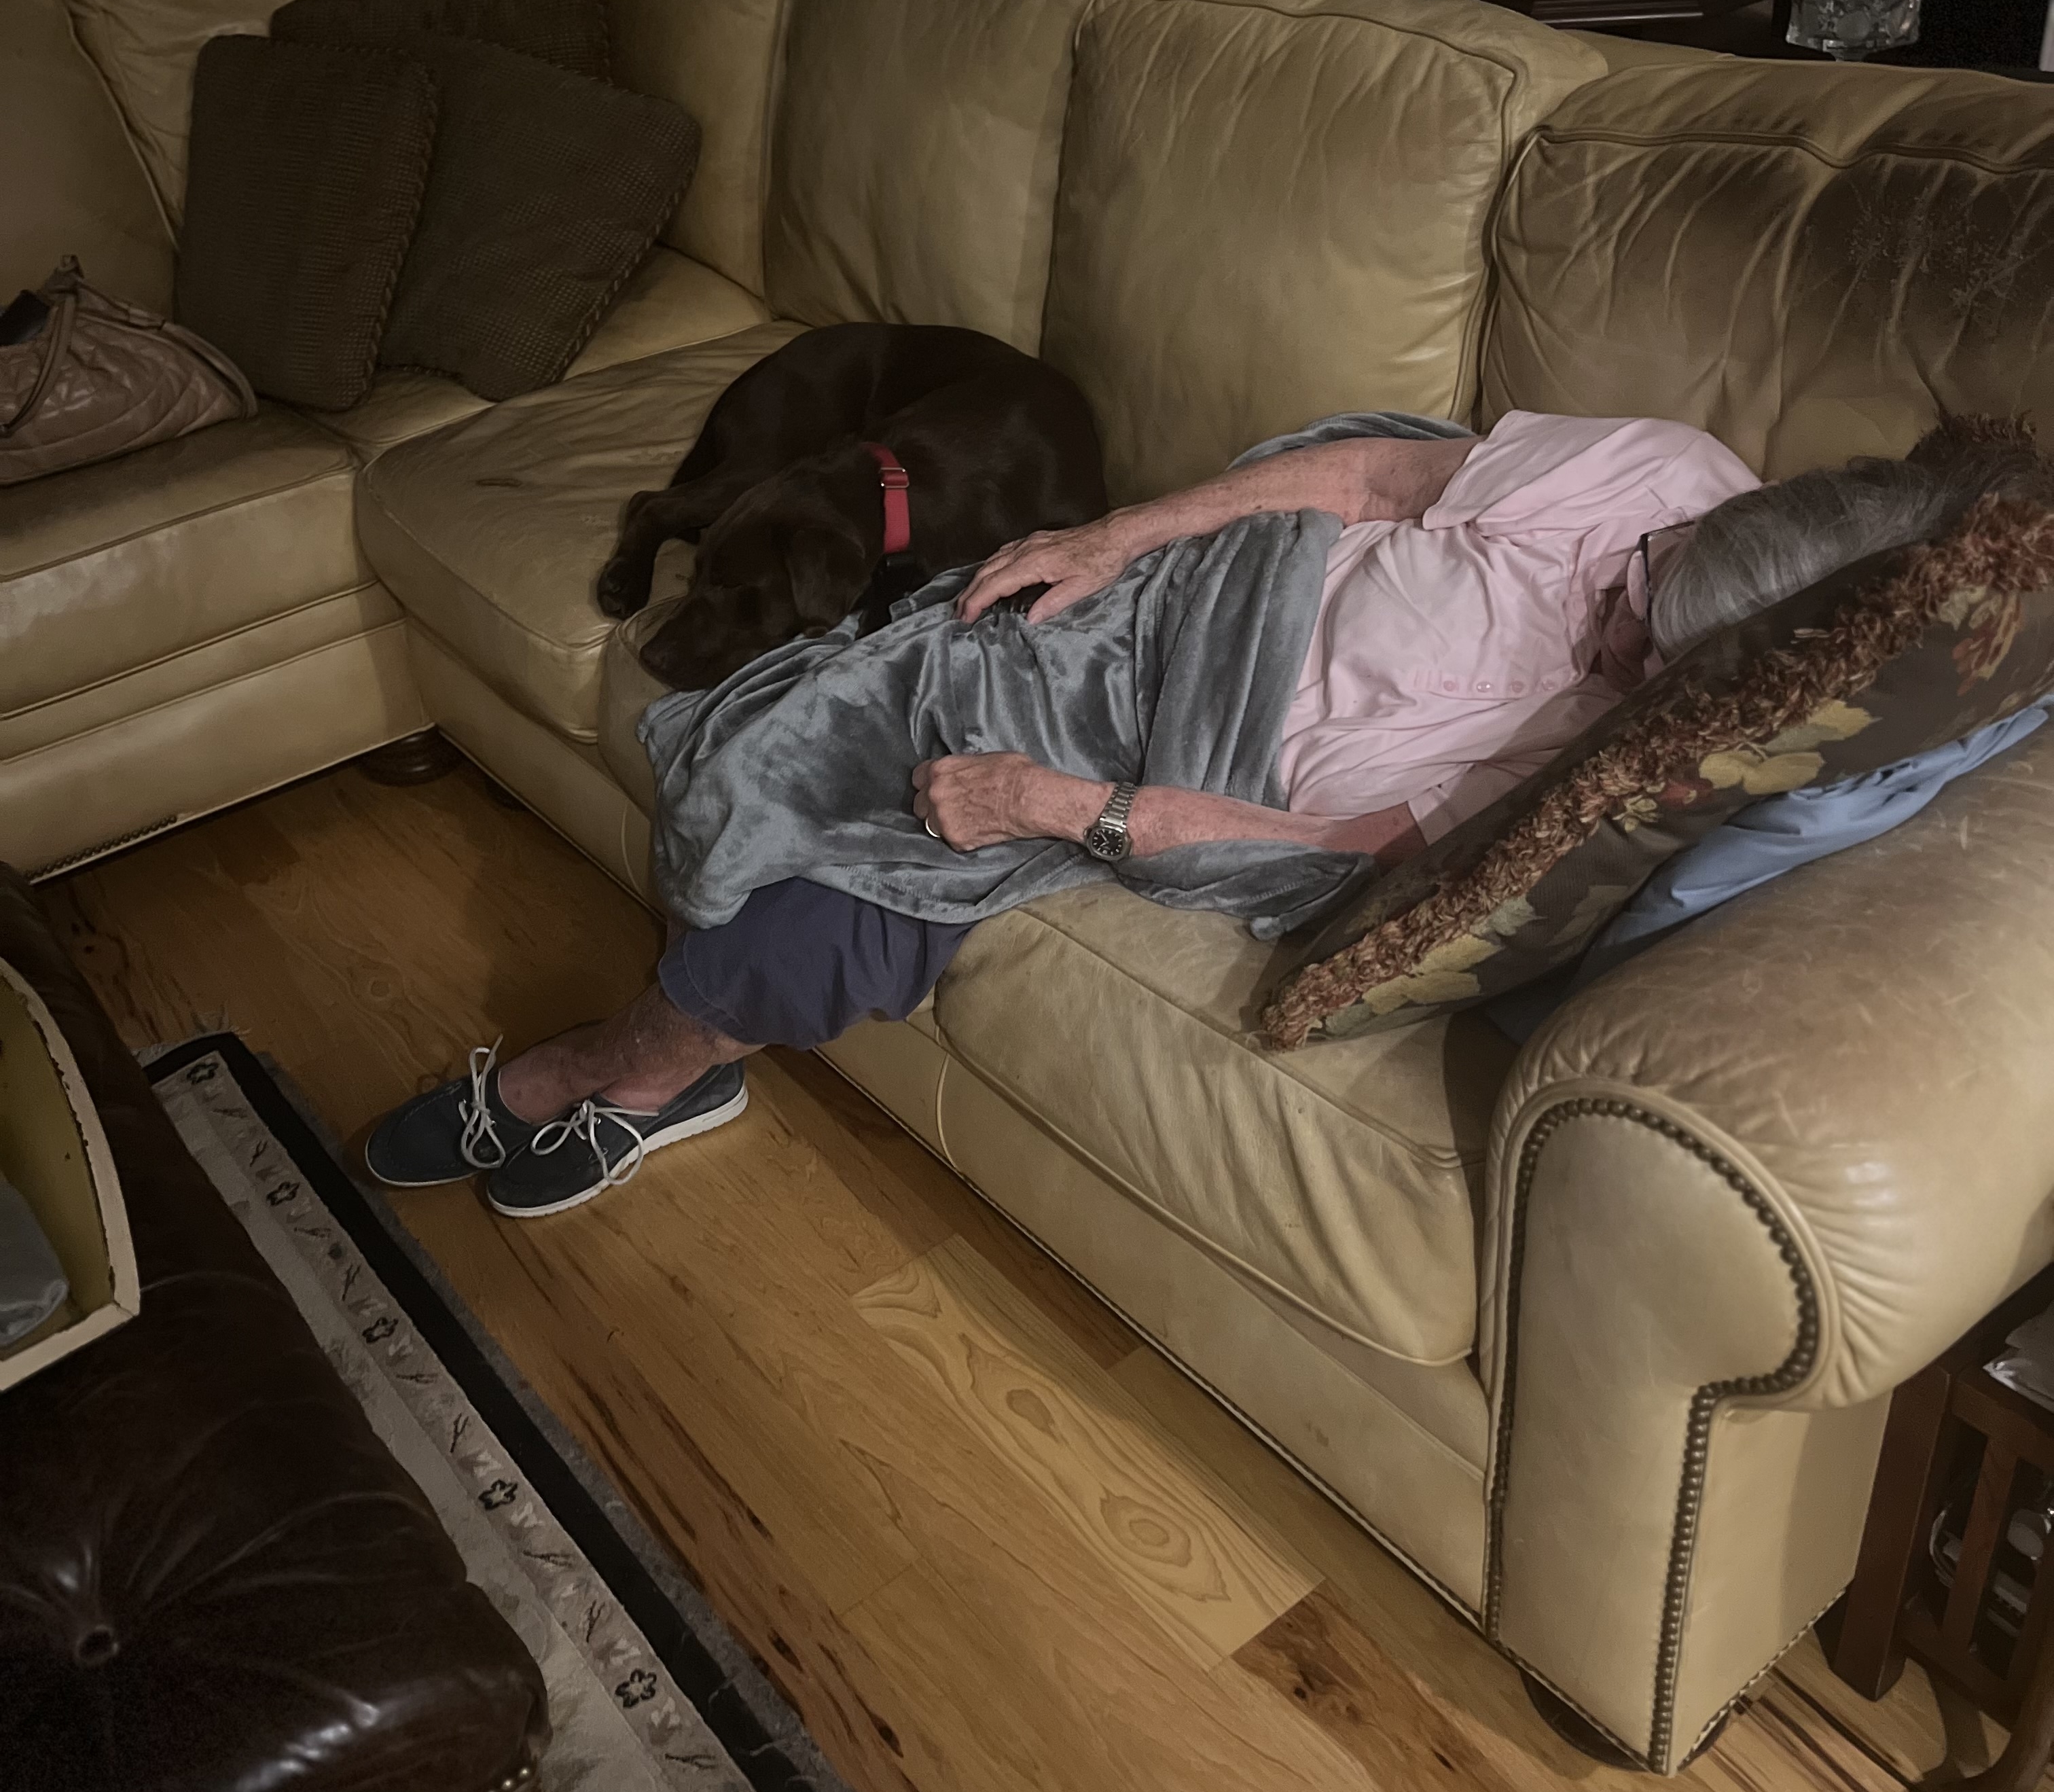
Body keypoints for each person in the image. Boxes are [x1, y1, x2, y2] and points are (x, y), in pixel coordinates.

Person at [363, 408, 2020, 1217]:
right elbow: (1372, 476)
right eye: (1638, 591)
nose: (1611, 637)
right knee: (831, 713)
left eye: (1647, 659)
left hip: (1183, 766)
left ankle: (618, 1074)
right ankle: (660, 1059)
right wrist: (1117, 539)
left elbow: (1355, 858)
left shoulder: (1628, 759)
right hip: (1197, 604)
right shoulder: (1660, 473)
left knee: (860, 881)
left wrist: (1074, 807)